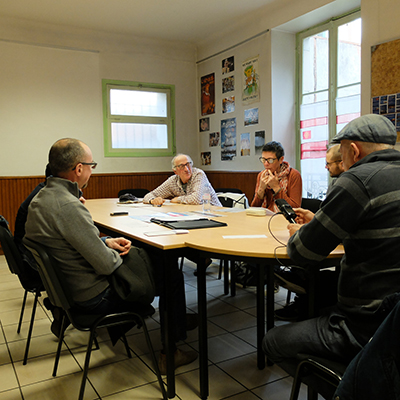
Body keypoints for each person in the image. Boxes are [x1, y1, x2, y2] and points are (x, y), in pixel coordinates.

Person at [24, 138, 197, 375]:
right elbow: (106, 265)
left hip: (68, 291)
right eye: (91, 165)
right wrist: (113, 252)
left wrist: (105, 241)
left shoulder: (40, 200)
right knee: (170, 273)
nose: (92, 171)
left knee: (152, 261)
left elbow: (70, 242)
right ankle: (171, 351)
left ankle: (176, 320)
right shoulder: (68, 205)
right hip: (92, 296)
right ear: (78, 169)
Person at [263, 114, 400, 399]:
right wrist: (321, 220)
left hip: (364, 325)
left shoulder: (356, 181)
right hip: (396, 318)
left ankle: (353, 387)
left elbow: (302, 253)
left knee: (272, 342)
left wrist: (295, 233)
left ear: (353, 150)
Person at [275, 144, 345, 321]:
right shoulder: (337, 183)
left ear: (343, 162)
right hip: (337, 244)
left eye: (329, 163)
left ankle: (304, 295)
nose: (325, 167)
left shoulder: (347, 187)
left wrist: (308, 228)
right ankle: (301, 286)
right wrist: (314, 219)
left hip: (348, 261)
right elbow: (334, 222)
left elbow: (338, 230)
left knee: (306, 248)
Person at [143, 153, 221, 207]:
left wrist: (178, 199)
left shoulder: (198, 174)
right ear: (175, 171)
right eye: (181, 166)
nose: (186, 169)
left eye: (188, 164)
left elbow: (196, 199)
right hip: (193, 214)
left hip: (214, 213)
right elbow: (149, 195)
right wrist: (153, 200)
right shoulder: (173, 181)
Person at [251, 141, 302, 212]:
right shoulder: (262, 175)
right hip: (265, 217)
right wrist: (261, 189)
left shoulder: (293, 175)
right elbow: (254, 208)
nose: (266, 164)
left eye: (270, 160)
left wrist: (276, 188)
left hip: (284, 219)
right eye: (263, 160)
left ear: (281, 159)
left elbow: (295, 208)